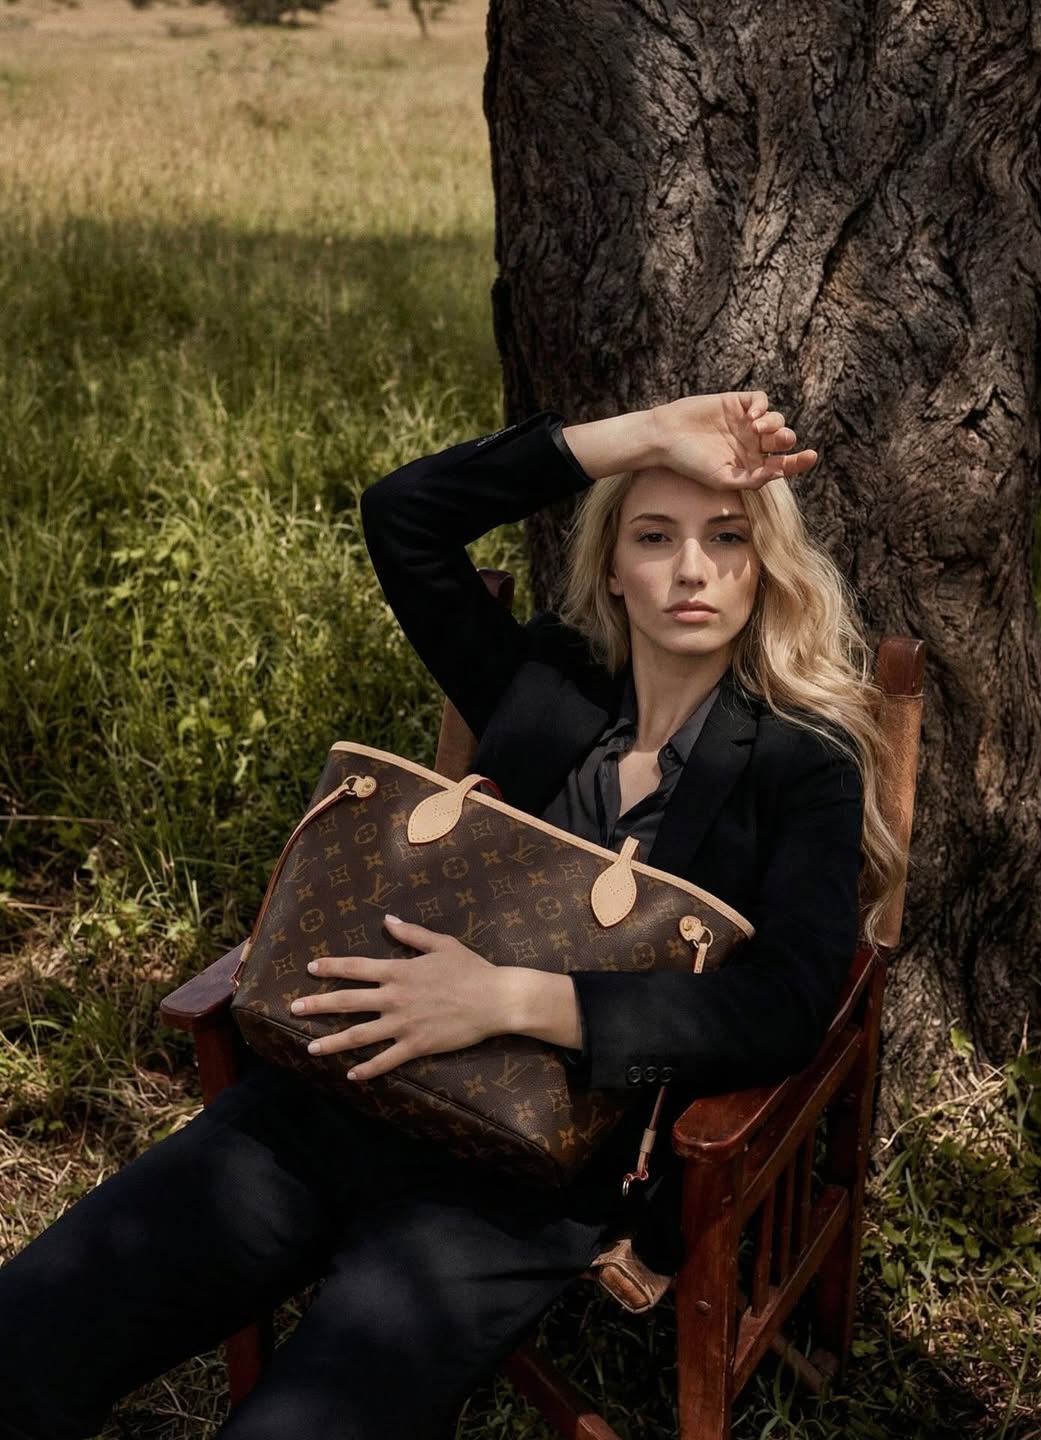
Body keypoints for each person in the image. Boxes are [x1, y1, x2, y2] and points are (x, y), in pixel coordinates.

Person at [0, 392, 902, 1440]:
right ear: (613, 567)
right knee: (25, 1335)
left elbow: (788, 1003)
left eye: (726, 538)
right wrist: (645, 437)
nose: (692, 570)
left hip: (530, 1170)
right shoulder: (545, 684)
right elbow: (404, 516)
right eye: (654, 537)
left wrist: (510, 1000)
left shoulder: (799, 763)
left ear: (764, 566)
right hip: (343, 1087)